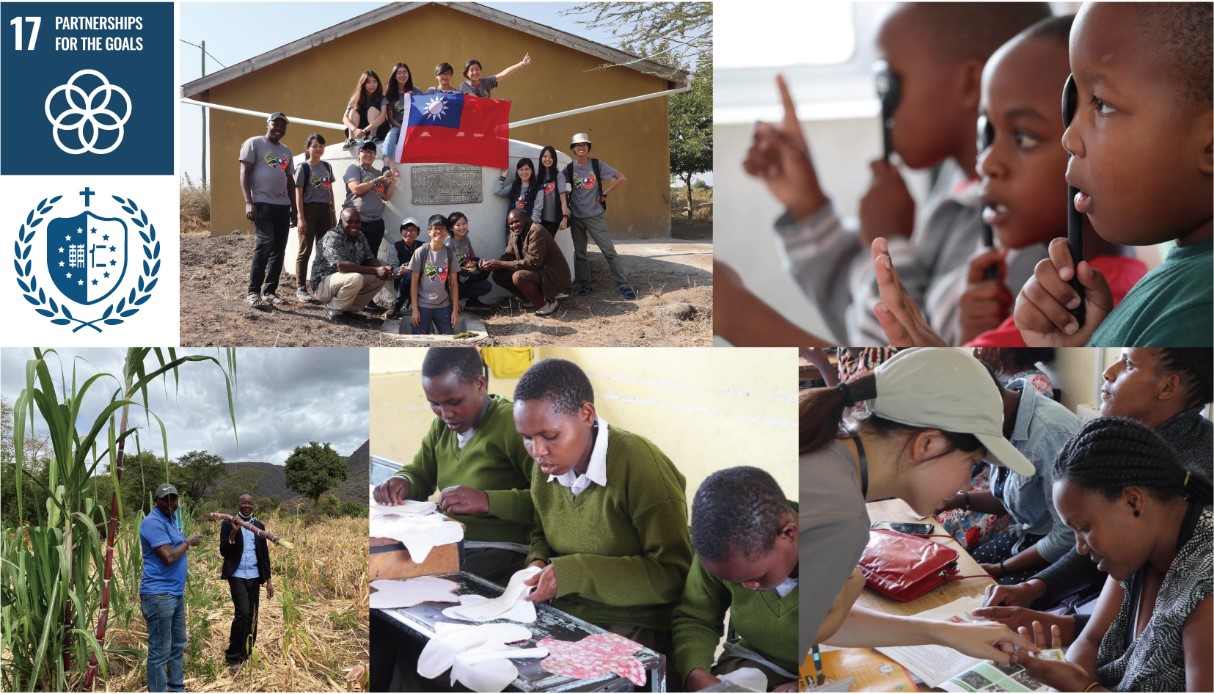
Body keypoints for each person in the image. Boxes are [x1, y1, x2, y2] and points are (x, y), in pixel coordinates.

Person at [744, 3, 1052, 345]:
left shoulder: (1024, 240)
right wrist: (809, 206)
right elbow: (862, 318)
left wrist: (889, 246)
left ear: (969, 82)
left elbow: (904, 354)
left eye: (888, 80)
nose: (881, 101)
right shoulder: (954, 186)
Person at [869, 15, 1146, 348]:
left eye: (1023, 138)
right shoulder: (1099, 284)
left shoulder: (1073, 310)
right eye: (988, 134)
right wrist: (975, 336)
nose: (987, 162)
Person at [799, 348, 1038, 664]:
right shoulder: (842, 516)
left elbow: (821, 617)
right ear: (928, 444)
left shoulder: (827, 456)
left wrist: (947, 633)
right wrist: (848, 595)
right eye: (972, 462)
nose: (967, 483)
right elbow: (804, 628)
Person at [976, 348, 1213, 644]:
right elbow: (1093, 543)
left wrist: (1053, 623)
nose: (1108, 371)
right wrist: (1036, 586)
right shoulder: (1128, 446)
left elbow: (1151, 634)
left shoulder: (1187, 483)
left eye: (1127, 364)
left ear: (1167, 387)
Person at [1013, 3, 1212, 347]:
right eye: (1075, 102)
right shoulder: (1185, 286)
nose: (1069, 138)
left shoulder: (1197, 310)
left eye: (1102, 104)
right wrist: (1083, 347)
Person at [1010, 417, 1212, 693]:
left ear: (1133, 502)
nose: (1080, 547)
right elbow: (1091, 640)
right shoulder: (1140, 549)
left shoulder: (1206, 582)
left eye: (1084, 528)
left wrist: (1082, 687)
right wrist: (1068, 676)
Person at [517, 358, 692, 655]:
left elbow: (673, 575)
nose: (538, 451)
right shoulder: (547, 465)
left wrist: (575, 572)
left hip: (632, 623)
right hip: (564, 613)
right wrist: (537, 563)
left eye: (550, 436)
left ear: (586, 414)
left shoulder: (640, 465)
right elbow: (541, 532)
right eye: (527, 439)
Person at [371, 347, 534, 584]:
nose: (445, 413)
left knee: (417, 581)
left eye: (454, 401)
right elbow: (420, 474)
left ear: (480, 384)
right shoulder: (442, 428)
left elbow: (551, 501)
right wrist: (403, 482)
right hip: (449, 539)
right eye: (434, 404)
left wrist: (487, 501)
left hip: (503, 550)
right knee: (384, 568)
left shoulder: (512, 425)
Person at [934, 374, 1079, 585]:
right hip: (1026, 536)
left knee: (982, 591)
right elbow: (1007, 498)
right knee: (962, 569)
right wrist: (957, 500)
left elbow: (1067, 537)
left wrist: (1001, 568)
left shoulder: (1050, 435)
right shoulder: (1002, 419)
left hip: (1060, 553)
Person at [673, 467, 799, 692]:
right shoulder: (722, 549)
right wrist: (697, 674)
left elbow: (858, 651)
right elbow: (696, 618)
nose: (747, 587)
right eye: (732, 580)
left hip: (826, 669)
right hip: (755, 661)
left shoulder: (839, 552)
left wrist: (804, 684)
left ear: (788, 534)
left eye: (757, 577)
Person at [140, 484, 201, 692]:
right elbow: (169, 556)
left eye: (173, 499)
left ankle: (176, 688)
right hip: (158, 595)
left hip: (174, 594)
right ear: (155, 501)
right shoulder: (151, 523)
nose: (170, 503)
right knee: (159, 651)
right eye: (165, 499)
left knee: (177, 645)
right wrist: (188, 542)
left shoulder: (172, 520)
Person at [565, 132, 634, 299]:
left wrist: (605, 193)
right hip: (576, 217)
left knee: (608, 250)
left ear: (588, 147)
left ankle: (623, 284)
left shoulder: (597, 164)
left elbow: (621, 178)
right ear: (573, 149)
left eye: (584, 145)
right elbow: (559, 185)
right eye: (577, 145)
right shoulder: (569, 168)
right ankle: (586, 284)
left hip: (594, 215)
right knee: (580, 253)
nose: (581, 147)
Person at [239, 111, 297, 310]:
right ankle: (253, 291)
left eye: (284, 126)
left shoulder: (286, 151)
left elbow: (290, 181)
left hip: (283, 205)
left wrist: (294, 209)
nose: (280, 128)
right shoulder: (254, 143)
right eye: (276, 124)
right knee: (265, 242)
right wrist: (249, 202)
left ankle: (270, 291)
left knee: (279, 248)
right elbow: (244, 172)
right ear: (268, 124)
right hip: (261, 203)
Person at [482, 208, 572, 316]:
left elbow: (533, 262)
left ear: (524, 219)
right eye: (511, 223)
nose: (514, 225)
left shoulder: (537, 231)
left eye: (516, 221)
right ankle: (530, 298)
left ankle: (546, 302)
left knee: (519, 277)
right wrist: (492, 263)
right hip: (538, 272)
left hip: (553, 274)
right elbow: (508, 255)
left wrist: (501, 264)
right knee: (498, 275)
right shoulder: (514, 233)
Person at [219, 494, 273, 670]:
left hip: (255, 576)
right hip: (237, 575)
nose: (247, 506)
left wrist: (269, 581)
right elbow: (224, 551)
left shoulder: (259, 527)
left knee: (252, 616)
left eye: (250, 503)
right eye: (244, 503)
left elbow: (264, 555)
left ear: (253, 505)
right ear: (238, 504)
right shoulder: (228, 523)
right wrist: (234, 532)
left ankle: (247, 653)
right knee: (242, 613)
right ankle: (233, 656)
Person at [310, 208, 391, 323]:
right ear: (340, 222)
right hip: (323, 285)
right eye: (349, 221)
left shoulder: (360, 236)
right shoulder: (332, 236)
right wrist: (375, 270)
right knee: (356, 277)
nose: (354, 225)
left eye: (357, 221)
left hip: (345, 280)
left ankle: (348, 311)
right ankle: (333, 309)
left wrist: (382, 270)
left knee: (378, 278)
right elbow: (341, 266)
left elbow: (370, 258)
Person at [293, 133, 336, 303]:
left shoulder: (327, 166)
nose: (318, 149)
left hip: (325, 211)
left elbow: (330, 191)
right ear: (308, 148)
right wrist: (300, 217)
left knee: (324, 250)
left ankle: (320, 286)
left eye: (321, 146)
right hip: (309, 211)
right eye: (315, 146)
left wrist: (333, 212)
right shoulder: (303, 168)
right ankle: (301, 287)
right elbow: (298, 194)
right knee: (305, 250)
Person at [343, 140, 397, 271]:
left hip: (375, 223)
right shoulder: (354, 169)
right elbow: (356, 189)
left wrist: (393, 181)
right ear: (359, 153)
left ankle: (366, 288)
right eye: (366, 151)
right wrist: (377, 180)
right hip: (357, 222)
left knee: (371, 258)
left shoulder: (378, 173)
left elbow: (386, 197)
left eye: (372, 152)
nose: (369, 154)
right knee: (354, 258)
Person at [408, 214, 460, 335]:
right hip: (423, 306)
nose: (439, 231)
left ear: (447, 231)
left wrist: (455, 311)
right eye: (435, 228)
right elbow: (414, 283)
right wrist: (415, 310)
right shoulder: (421, 252)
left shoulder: (449, 253)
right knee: (420, 339)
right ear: (429, 231)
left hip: (444, 306)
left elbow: (454, 284)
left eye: (442, 229)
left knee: (448, 338)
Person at [444, 211, 494, 311]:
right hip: (454, 280)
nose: (462, 227)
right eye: (458, 225)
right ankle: (450, 302)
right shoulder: (448, 243)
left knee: (486, 268)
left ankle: (472, 301)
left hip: (466, 275)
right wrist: (455, 302)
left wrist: (475, 263)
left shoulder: (465, 239)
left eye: (464, 223)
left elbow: (473, 257)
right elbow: (447, 274)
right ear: (450, 228)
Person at [381, 62, 422, 170]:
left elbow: (423, 111)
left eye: (405, 72)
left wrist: (414, 99)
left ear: (409, 74)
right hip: (398, 126)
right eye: (399, 73)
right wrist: (403, 128)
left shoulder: (416, 90)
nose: (402, 75)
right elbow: (391, 119)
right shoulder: (389, 94)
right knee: (390, 136)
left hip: (415, 127)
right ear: (394, 75)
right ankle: (386, 166)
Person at [386, 218, 422, 320]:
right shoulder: (395, 247)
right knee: (409, 276)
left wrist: (411, 268)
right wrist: (400, 270)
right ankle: (398, 305)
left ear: (418, 233)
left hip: (421, 282)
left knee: (412, 274)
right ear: (401, 231)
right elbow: (392, 268)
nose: (409, 233)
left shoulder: (423, 247)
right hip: (401, 282)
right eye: (406, 229)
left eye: (413, 230)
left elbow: (429, 265)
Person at [341, 69, 388, 150]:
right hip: (360, 132)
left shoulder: (382, 98)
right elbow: (345, 118)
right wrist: (355, 130)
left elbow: (382, 118)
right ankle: (351, 139)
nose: (372, 85)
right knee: (353, 111)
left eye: (374, 82)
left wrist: (365, 131)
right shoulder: (356, 98)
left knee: (372, 109)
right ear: (363, 83)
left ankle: (373, 137)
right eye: (368, 82)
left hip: (378, 130)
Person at [535, 145, 570, 240]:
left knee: (547, 245)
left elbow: (563, 199)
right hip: (538, 218)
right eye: (545, 156)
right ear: (541, 158)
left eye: (551, 157)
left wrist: (564, 218)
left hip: (552, 220)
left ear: (554, 159)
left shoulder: (559, 176)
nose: (547, 159)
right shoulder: (538, 177)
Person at [494, 157, 544, 224]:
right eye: (521, 169)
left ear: (531, 170)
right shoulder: (514, 185)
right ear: (517, 171)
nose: (524, 172)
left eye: (527, 169)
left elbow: (537, 211)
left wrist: (530, 228)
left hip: (528, 227)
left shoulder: (538, 189)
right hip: (512, 226)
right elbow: (498, 191)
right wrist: (503, 176)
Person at [460, 54, 530, 98]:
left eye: (477, 69)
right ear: (466, 73)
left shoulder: (486, 82)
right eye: (471, 70)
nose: (475, 72)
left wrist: (521, 64)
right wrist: (495, 103)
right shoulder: (464, 85)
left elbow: (503, 74)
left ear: (481, 71)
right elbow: (477, 100)